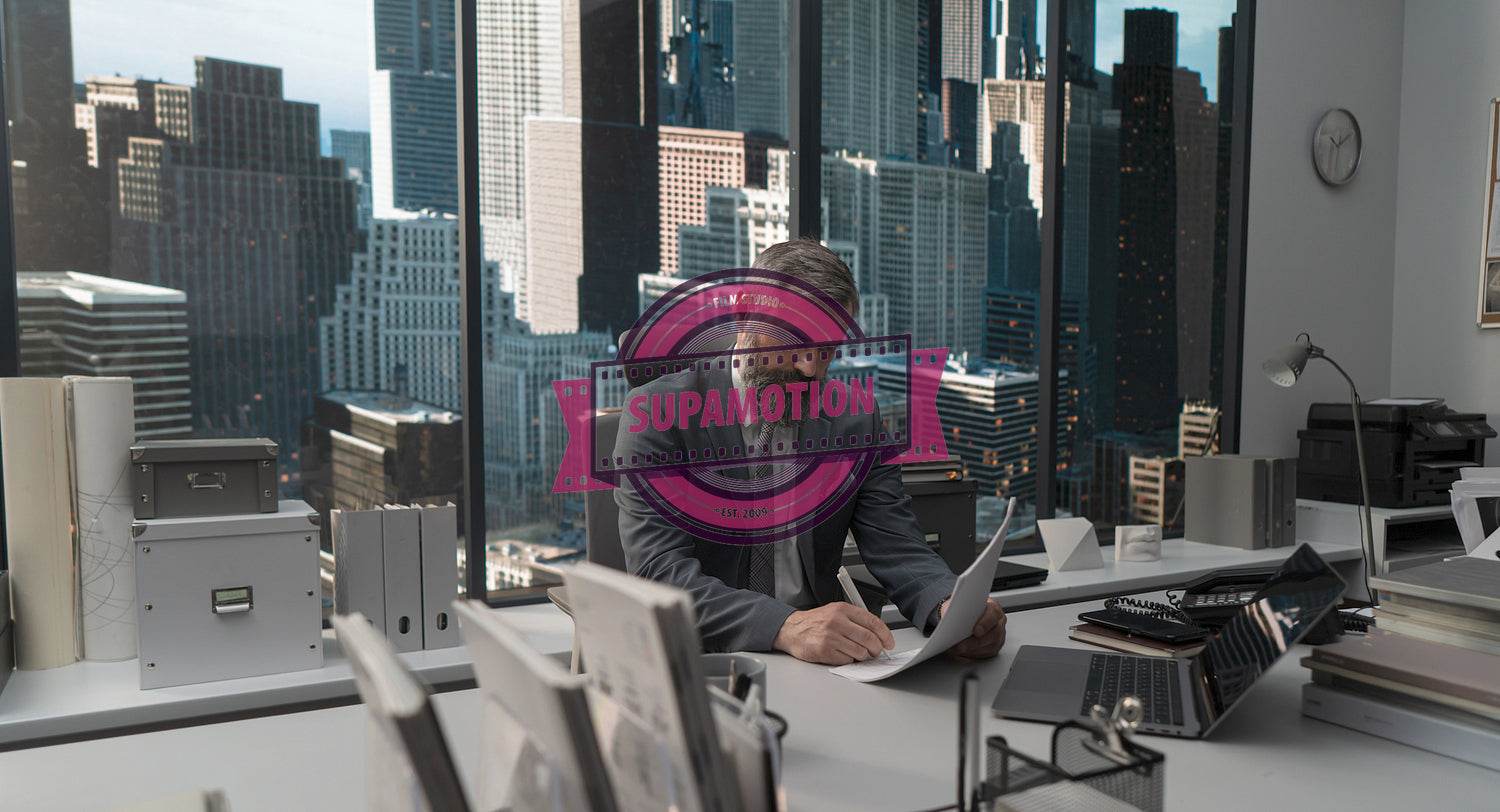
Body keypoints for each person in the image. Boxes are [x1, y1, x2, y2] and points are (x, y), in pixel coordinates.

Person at [614, 238, 1005, 665]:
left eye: (827, 350)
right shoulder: (656, 416)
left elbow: (897, 544)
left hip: (822, 661)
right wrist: (784, 625)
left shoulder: (855, 419)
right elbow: (661, 573)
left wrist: (949, 609)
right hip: (706, 659)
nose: (811, 369)